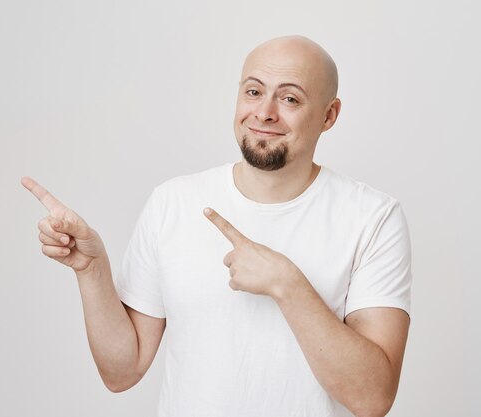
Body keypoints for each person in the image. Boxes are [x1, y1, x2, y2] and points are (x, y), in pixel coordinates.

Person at [21, 35, 412, 417]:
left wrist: (287, 285)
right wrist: (92, 270)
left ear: (329, 115)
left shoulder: (373, 217)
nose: (264, 113)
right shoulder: (172, 202)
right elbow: (122, 372)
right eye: (254, 92)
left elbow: (373, 399)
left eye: (290, 98)